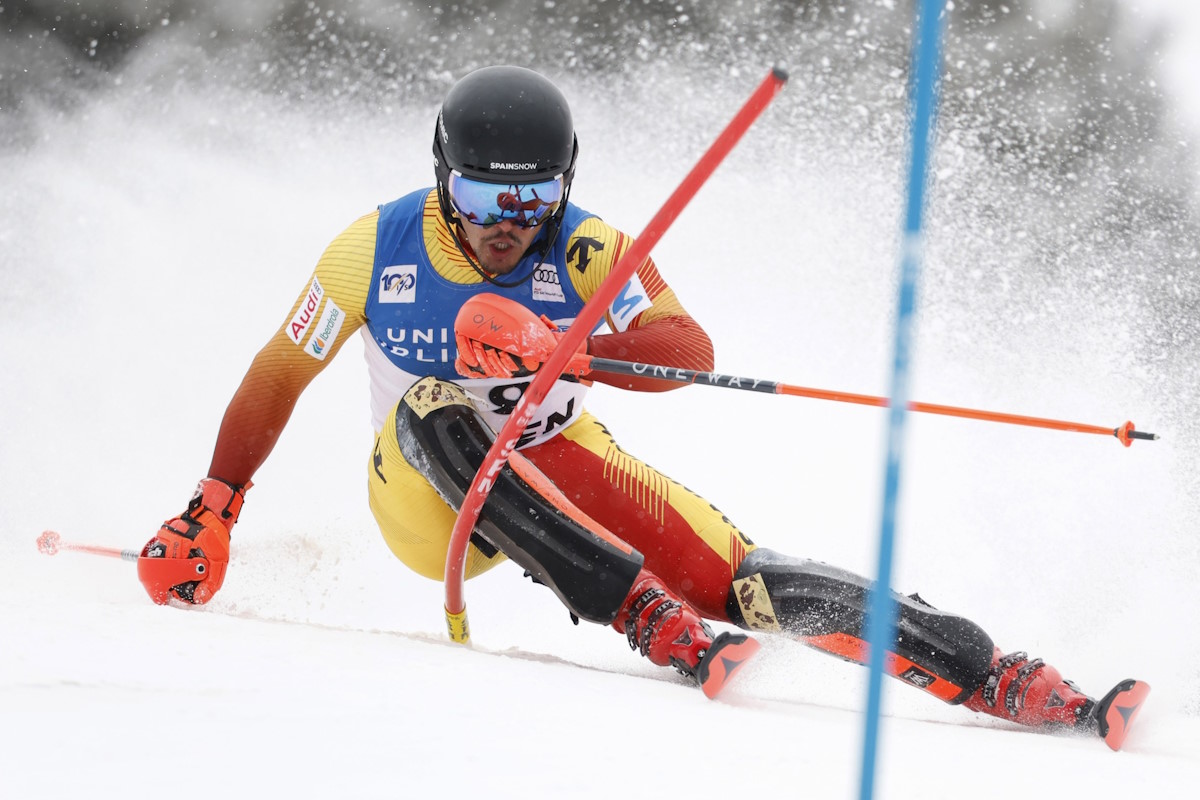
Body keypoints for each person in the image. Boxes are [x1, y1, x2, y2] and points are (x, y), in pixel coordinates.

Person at [138, 65, 1145, 741]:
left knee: (746, 575)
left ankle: (1011, 678)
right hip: (425, 493)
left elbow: (685, 350)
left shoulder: (585, 247)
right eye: (486, 202)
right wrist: (213, 508)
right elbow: (278, 372)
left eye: (529, 200)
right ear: (443, 181)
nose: (506, 227)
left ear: (563, 185)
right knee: (437, 400)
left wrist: (572, 350)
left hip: (549, 455)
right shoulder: (374, 249)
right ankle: (643, 616)